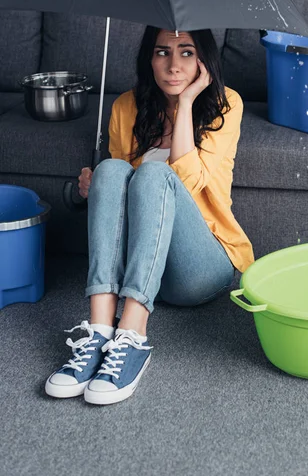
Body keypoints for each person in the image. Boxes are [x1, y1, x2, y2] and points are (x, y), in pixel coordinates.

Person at [45, 27, 254, 406]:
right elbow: (119, 212)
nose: (173, 65)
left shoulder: (226, 104)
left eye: (187, 52)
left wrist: (187, 103)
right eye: (162, 52)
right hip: (140, 266)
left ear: (204, 61)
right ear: (149, 59)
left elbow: (188, 185)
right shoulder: (126, 106)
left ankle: (133, 337)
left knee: (157, 173)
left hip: (200, 267)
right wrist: (95, 190)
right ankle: (98, 331)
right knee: (110, 169)